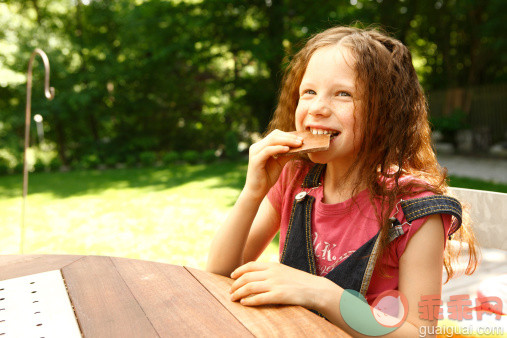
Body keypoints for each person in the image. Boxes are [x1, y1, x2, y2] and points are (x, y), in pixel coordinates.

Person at [206, 26, 478, 336]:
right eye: (309, 92)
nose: (318, 107)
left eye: (343, 94)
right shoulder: (295, 178)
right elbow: (219, 274)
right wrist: (252, 192)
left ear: (385, 113)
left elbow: (420, 332)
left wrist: (322, 293)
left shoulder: (416, 212)